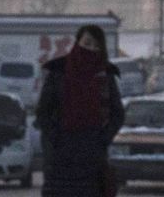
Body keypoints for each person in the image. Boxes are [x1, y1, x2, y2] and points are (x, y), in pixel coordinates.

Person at [35, 24, 126, 197]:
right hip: (60, 158)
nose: (91, 49)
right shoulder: (58, 71)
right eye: (87, 43)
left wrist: (102, 139)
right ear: (77, 43)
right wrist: (55, 138)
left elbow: (117, 113)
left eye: (96, 46)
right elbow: (43, 111)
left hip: (91, 158)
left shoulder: (105, 74)